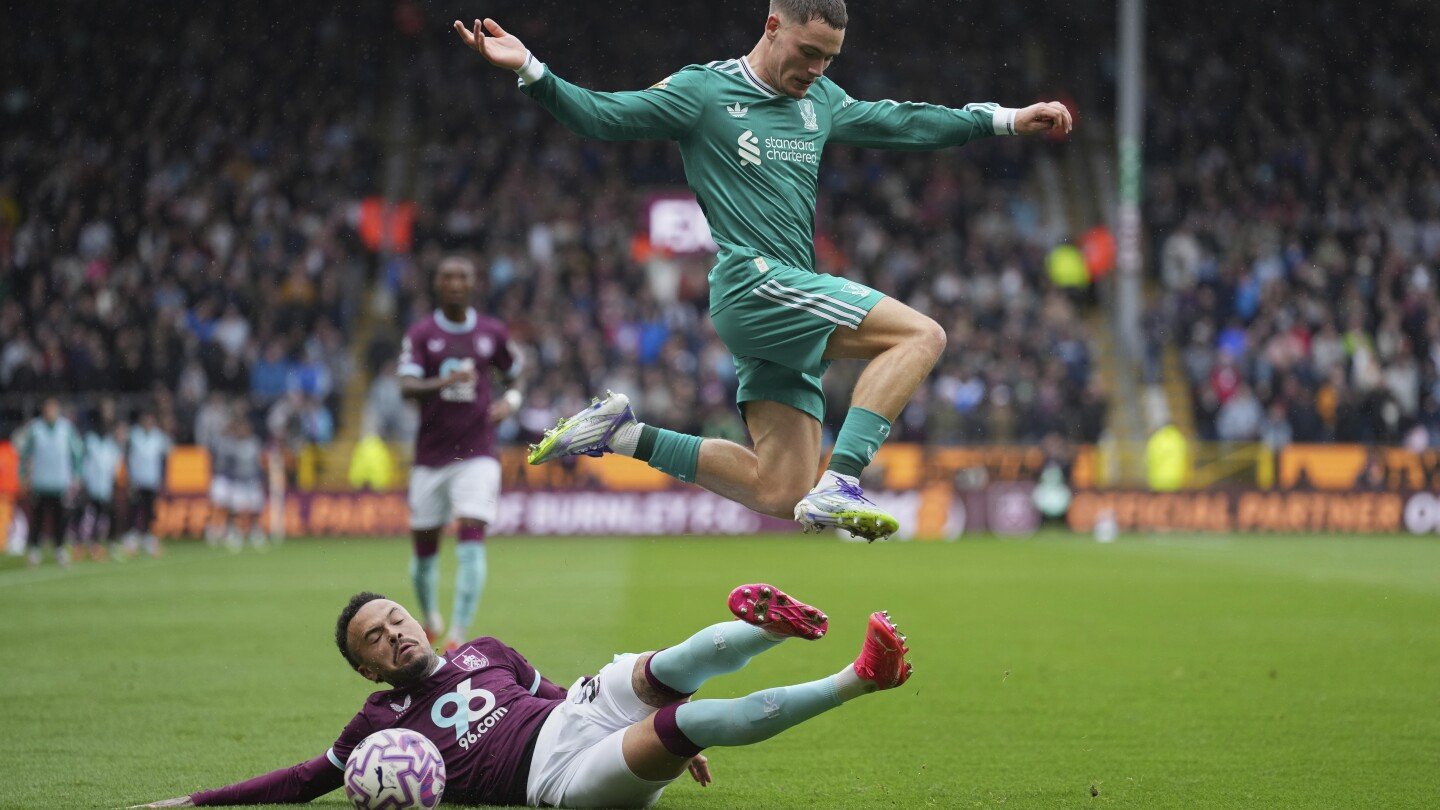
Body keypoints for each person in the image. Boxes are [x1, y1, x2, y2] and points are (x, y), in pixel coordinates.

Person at [457, 0, 1073, 541]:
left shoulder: (821, 101)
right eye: (808, 53)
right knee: (922, 334)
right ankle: (844, 480)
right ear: (772, 26)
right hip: (755, 284)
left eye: (829, 58)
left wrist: (1005, 118)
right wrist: (531, 70)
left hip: (782, 306)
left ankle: (622, 435)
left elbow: (902, 122)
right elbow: (601, 116)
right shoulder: (705, 91)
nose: (817, 70)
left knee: (779, 491)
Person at [135, 583, 910, 808]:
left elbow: (558, 691)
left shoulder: (486, 650)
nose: (393, 634)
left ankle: (771, 629)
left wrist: (619, 701)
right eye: (373, 639)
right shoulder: (377, 727)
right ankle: (857, 678)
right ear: (368, 671)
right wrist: (195, 804)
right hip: (559, 780)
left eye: (394, 619)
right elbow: (306, 781)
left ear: (417, 619)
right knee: (691, 721)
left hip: (574, 711)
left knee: (654, 672)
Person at [398, 256, 524, 652]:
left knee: (472, 533)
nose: (455, 283)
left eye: (462, 276)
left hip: (478, 451)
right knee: (423, 554)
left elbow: (515, 370)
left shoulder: (492, 332)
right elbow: (406, 387)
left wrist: (513, 400)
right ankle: (431, 617)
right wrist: (446, 381)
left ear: (473, 284)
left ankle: (457, 636)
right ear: (437, 284)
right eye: (447, 276)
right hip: (431, 456)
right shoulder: (422, 334)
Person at [18, 397, 83, 567]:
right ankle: (34, 551)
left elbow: (77, 452)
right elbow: (25, 453)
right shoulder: (35, 428)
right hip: (40, 482)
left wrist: (77, 475)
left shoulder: (66, 428)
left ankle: (59, 550)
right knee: (37, 518)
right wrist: (23, 474)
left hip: (60, 482)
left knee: (60, 519)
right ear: (43, 410)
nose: (50, 412)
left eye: (53, 408)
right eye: (48, 408)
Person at [125, 410, 172, 557]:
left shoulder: (159, 437)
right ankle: (132, 537)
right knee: (134, 509)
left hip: (152, 480)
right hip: (137, 479)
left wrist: (163, 480)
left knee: (150, 510)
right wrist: (128, 478)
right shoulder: (134, 436)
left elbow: (164, 460)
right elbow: (127, 458)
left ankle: (148, 537)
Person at [80, 420, 126, 560]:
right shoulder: (90, 442)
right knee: (90, 516)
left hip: (105, 486)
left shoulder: (110, 445)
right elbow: (83, 461)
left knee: (110, 515)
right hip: (91, 485)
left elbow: (116, 465)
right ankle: (88, 544)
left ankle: (109, 543)